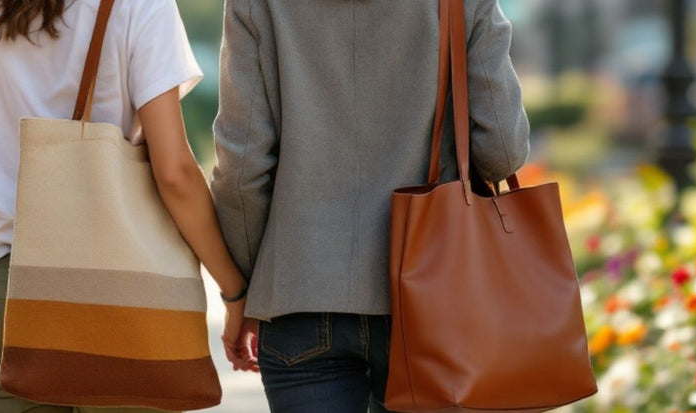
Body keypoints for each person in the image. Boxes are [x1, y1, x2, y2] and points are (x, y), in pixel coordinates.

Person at [0, 0, 256, 411]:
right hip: (126, 299)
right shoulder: (140, 6)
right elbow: (173, 174)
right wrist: (234, 291)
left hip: (9, 295)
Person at [211, 1, 530, 412]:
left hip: (301, 293)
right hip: (434, 293)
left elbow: (241, 171)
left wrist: (249, 288)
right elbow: (502, 151)